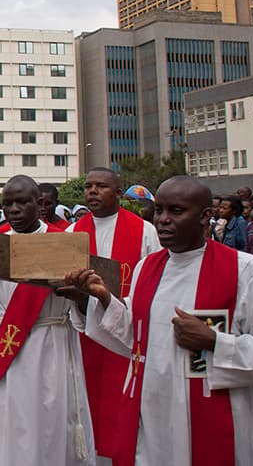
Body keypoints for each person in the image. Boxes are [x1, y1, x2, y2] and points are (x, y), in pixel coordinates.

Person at [68, 175, 253, 466]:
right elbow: (136, 337)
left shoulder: (243, 272)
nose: (162, 220)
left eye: (176, 211)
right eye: (159, 210)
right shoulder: (147, 268)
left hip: (213, 418)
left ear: (205, 217)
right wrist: (97, 300)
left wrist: (215, 342)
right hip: (153, 415)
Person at [0, 176, 94, 465]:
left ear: (39, 204)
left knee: (53, 426)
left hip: (54, 348)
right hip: (8, 357)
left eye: (21, 202)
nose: (13, 209)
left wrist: (80, 298)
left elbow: (85, 305)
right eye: (7, 204)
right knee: (13, 430)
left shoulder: (65, 245)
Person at [66, 167, 160, 461]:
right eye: (89, 186)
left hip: (128, 337)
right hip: (86, 335)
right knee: (88, 404)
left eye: (101, 186)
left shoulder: (144, 231)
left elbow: (153, 280)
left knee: (124, 409)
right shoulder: (71, 233)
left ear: (119, 193)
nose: (92, 191)